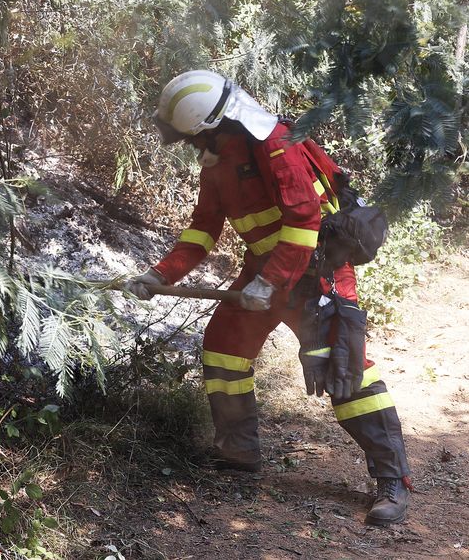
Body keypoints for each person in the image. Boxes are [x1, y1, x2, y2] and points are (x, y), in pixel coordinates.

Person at [125, 69, 411, 526]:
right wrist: (159, 274)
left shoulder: (275, 143)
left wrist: (270, 282)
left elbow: (304, 221)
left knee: (345, 371)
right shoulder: (219, 158)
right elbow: (203, 229)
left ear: (213, 124)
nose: (190, 146)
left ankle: (392, 481)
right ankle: (238, 454)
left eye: (191, 137)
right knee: (223, 350)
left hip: (314, 273)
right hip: (264, 272)